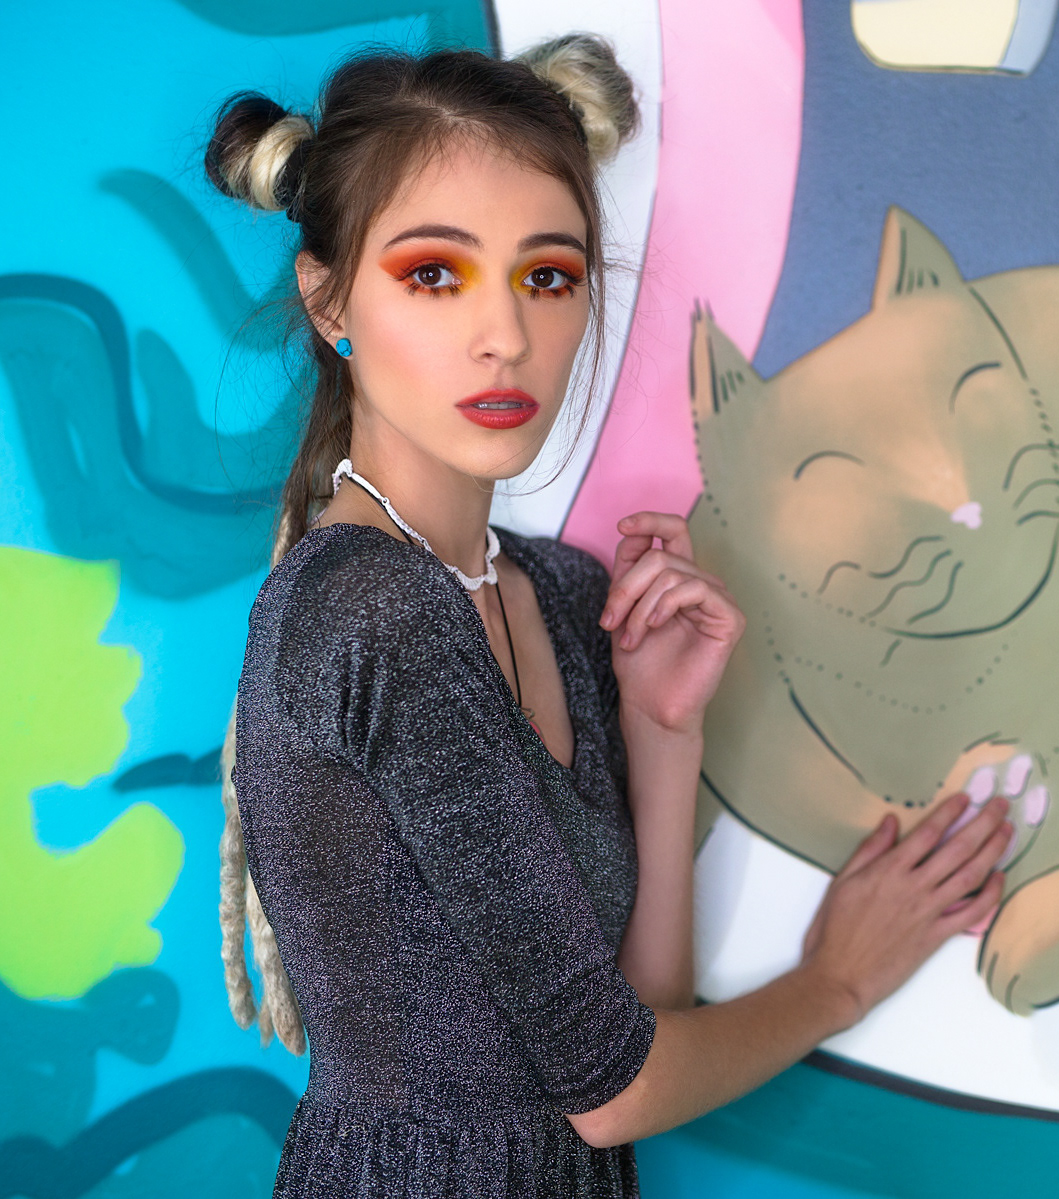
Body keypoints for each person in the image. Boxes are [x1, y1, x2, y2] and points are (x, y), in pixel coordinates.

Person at [211, 37, 1014, 1198]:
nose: (505, 334)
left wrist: (661, 731)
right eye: (434, 274)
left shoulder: (560, 592)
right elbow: (616, 1091)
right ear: (329, 298)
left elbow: (642, 1015)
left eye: (547, 276)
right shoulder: (373, 610)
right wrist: (836, 981)